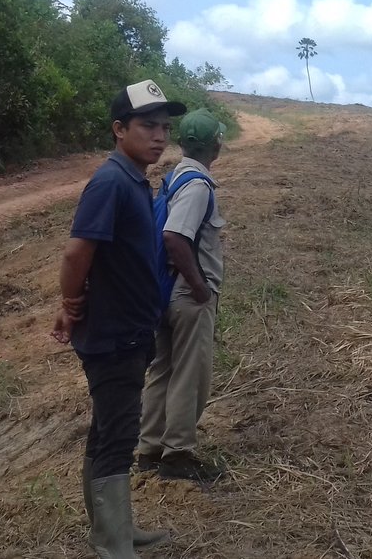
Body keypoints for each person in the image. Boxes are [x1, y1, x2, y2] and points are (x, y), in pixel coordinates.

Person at [51, 79, 186, 557]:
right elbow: (76, 254)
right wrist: (70, 303)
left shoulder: (133, 179)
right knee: (118, 436)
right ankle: (114, 544)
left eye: (165, 127)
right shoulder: (110, 182)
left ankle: (115, 530)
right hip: (114, 336)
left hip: (129, 330)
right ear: (118, 129)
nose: (159, 136)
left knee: (109, 430)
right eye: (147, 125)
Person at [137, 109, 227, 483]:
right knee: (190, 373)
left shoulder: (175, 176)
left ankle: (149, 449)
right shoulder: (198, 185)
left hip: (165, 288)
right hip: (187, 294)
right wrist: (200, 286)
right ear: (215, 145)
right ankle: (177, 454)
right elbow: (174, 236)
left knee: (164, 369)